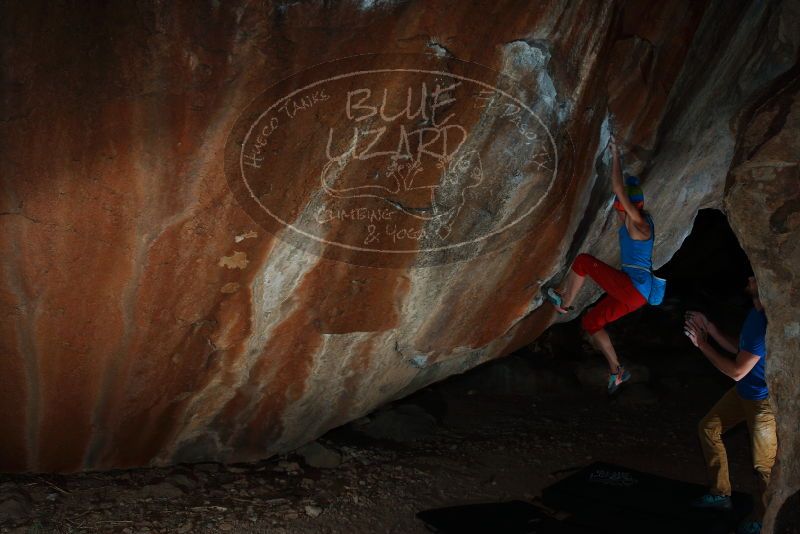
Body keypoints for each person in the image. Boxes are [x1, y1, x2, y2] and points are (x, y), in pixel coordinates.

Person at [544, 135, 656, 394]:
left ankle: (565, 301)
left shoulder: (639, 224)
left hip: (635, 289)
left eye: (621, 207)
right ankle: (618, 370)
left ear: (633, 206)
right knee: (591, 323)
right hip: (636, 294)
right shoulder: (633, 223)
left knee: (583, 261)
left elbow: (619, 189)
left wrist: (616, 156)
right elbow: (622, 195)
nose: (618, 210)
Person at [684, 275, 776, 534]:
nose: (748, 278)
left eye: (754, 277)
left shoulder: (765, 324)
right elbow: (742, 350)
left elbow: (737, 371)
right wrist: (711, 330)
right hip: (744, 393)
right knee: (708, 428)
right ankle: (720, 493)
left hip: (762, 402)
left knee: (764, 466)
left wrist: (701, 344)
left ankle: (766, 519)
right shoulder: (755, 313)